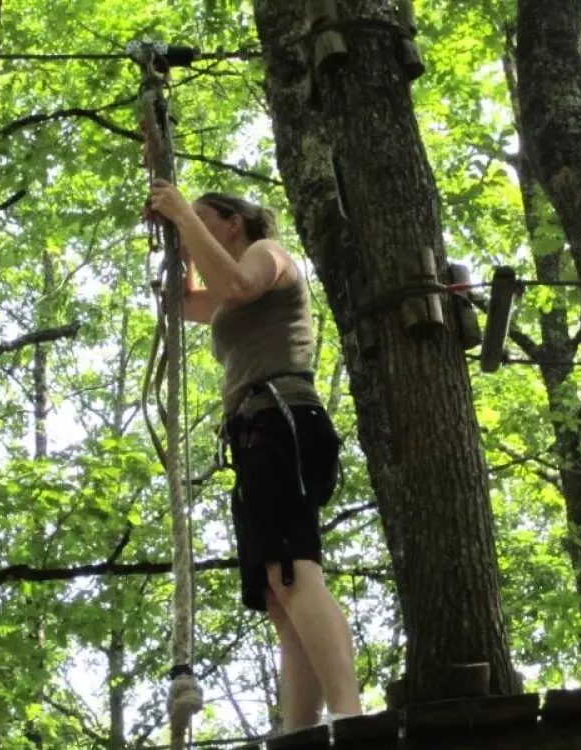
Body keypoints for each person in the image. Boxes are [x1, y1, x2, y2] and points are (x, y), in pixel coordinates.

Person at [147, 179, 363, 731]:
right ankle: (300, 730)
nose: (193, 225)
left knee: (291, 569)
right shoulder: (228, 281)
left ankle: (349, 715)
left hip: (281, 421)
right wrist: (176, 242)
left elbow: (239, 284)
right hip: (255, 432)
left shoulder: (268, 254)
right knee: (276, 590)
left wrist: (180, 211)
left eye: (203, 218)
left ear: (233, 222)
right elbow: (183, 303)